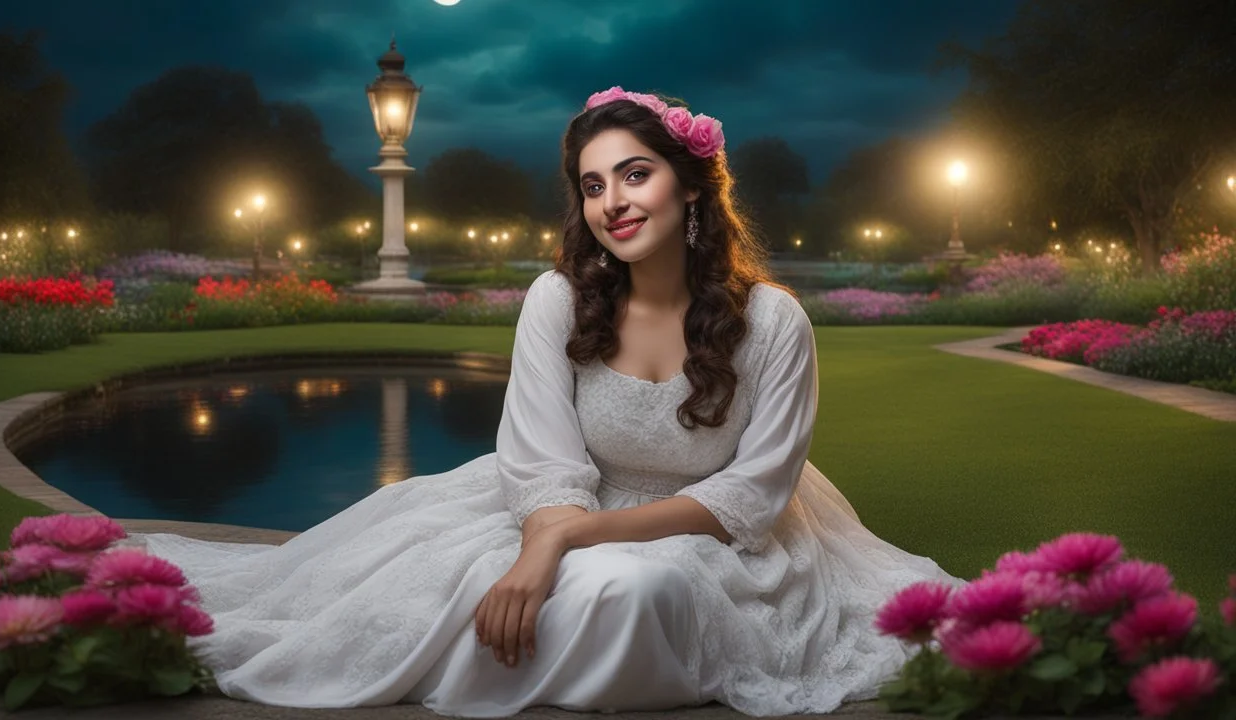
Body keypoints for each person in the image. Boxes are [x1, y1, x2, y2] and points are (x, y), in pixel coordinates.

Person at [139, 87, 962, 717]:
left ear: (691, 187)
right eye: (593, 184)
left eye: (636, 174)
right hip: (550, 505)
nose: (614, 202)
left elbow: (750, 494)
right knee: (451, 588)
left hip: (716, 535)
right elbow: (541, 460)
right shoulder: (558, 299)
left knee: (634, 594)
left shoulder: (774, 321)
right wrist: (543, 541)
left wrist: (567, 548)